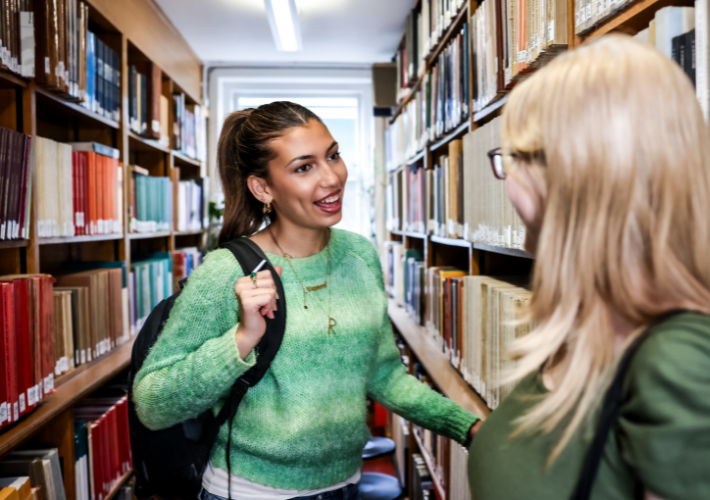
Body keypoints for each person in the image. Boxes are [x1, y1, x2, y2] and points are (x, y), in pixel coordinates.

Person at [468, 35, 710, 500]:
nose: (507, 180)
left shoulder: (687, 360)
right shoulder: (585, 327)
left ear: (581, 176)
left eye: (514, 158)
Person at [133, 101, 481, 500]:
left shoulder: (359, 255)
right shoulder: (226, 271)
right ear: (263, 188)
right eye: (304, 167)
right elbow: (153, 403)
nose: (332, 178)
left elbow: (383, 375)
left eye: (333, 155)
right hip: (250, 492)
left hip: (345, 484)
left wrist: (466, 427)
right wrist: (241, 340)